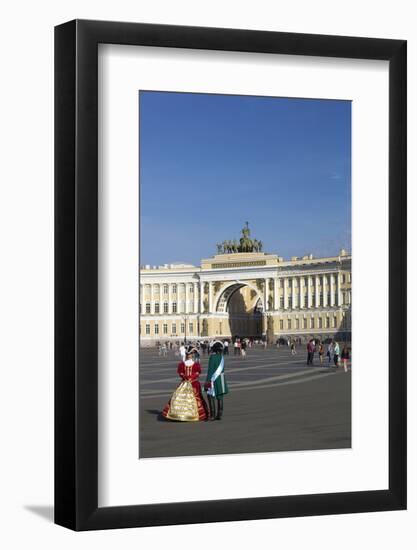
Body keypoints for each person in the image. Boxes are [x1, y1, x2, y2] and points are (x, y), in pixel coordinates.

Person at [162, 346, 208, 421]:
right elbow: (182, 373)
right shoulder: (184, 364)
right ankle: (183, 414)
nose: (191, 355)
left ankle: (195, 414)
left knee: (195, 397)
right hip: (189, 382)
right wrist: (188, 377)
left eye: (191, 354)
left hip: (191, 382)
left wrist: (188, 377)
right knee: (182, 397)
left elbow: (195, 373)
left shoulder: (194, 364)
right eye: (190, 354)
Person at [204, 341, 229, 420]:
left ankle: (212, 415)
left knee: (210, 396)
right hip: (221, 379)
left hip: (214, 380)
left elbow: (210, 370)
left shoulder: (212, 357)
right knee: (220, 396)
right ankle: (219, 414)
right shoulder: (221, 357)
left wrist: (207, 381)